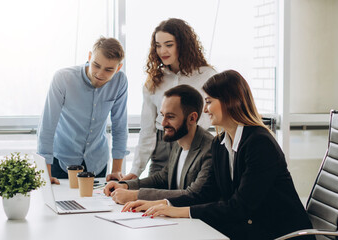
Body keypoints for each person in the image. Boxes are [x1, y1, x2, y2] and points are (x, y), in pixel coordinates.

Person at [122, 70, 315, 240]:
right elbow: (205, 193)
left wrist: (177, 211)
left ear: (229, 102)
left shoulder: (259, 143)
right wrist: (160, 204)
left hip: (278, 233)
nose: (205, 109)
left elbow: (239, 207)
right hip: (249, 229)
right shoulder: (220, 144)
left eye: (209, 102)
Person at [107, 18, 216, 181]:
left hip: (194, 146)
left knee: (183, 200)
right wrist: (135, 171)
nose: (162, 50)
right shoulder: (154, 80)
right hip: (162, 148)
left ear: (183, 44)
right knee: (148, 199)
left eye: (169, 44)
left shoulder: (207, 76)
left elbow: (212, 117)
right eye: (158, 45)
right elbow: (147, 130)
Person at [37, 37, 128, 184]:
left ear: (118, 68)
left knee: (97, 206)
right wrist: (46, 173)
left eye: (109, 69)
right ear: (90, 57)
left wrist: (117, 170)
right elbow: (47, 126)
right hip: (61, 162)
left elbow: (120, 125)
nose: (100, 74)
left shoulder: (120, 81)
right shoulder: (63, 78)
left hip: (97, 164)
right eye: (96, 65)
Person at [104, 85, 213, 204]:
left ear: (192, 118)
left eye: (170, 117)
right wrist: (125, 186)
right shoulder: (178, 141)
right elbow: (163, 178)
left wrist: (135, 195)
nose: (163, 123)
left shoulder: (210, 148)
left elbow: (193, 194)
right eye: (162, 115)